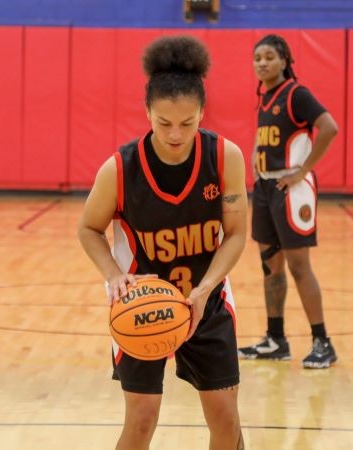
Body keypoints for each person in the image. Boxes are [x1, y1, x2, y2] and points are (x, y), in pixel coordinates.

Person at [78, 35, 248, 450]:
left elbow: (237, 233)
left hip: (206, 300)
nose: (175, 134)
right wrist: (115, 276)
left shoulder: (224, 157)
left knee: (226, 417)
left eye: (187, 124)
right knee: (141, 420)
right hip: (142, 305)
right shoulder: (119, 169)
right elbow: (88, 229)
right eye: (164, 123)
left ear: (202, 113)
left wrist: (207, 289)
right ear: (147, 112)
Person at [237, 34, 339, 369]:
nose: (262, 63)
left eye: (269, 57)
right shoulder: (265, 98)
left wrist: (303, 170)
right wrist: (255, 156)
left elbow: (329, 127)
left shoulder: (297, 94)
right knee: (270, 268)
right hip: (265, 189)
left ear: (284, 61)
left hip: (291, 190)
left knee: (298, 267)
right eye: (257, 58)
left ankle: (322, 341)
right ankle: (275, 339)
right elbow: (267, 137)